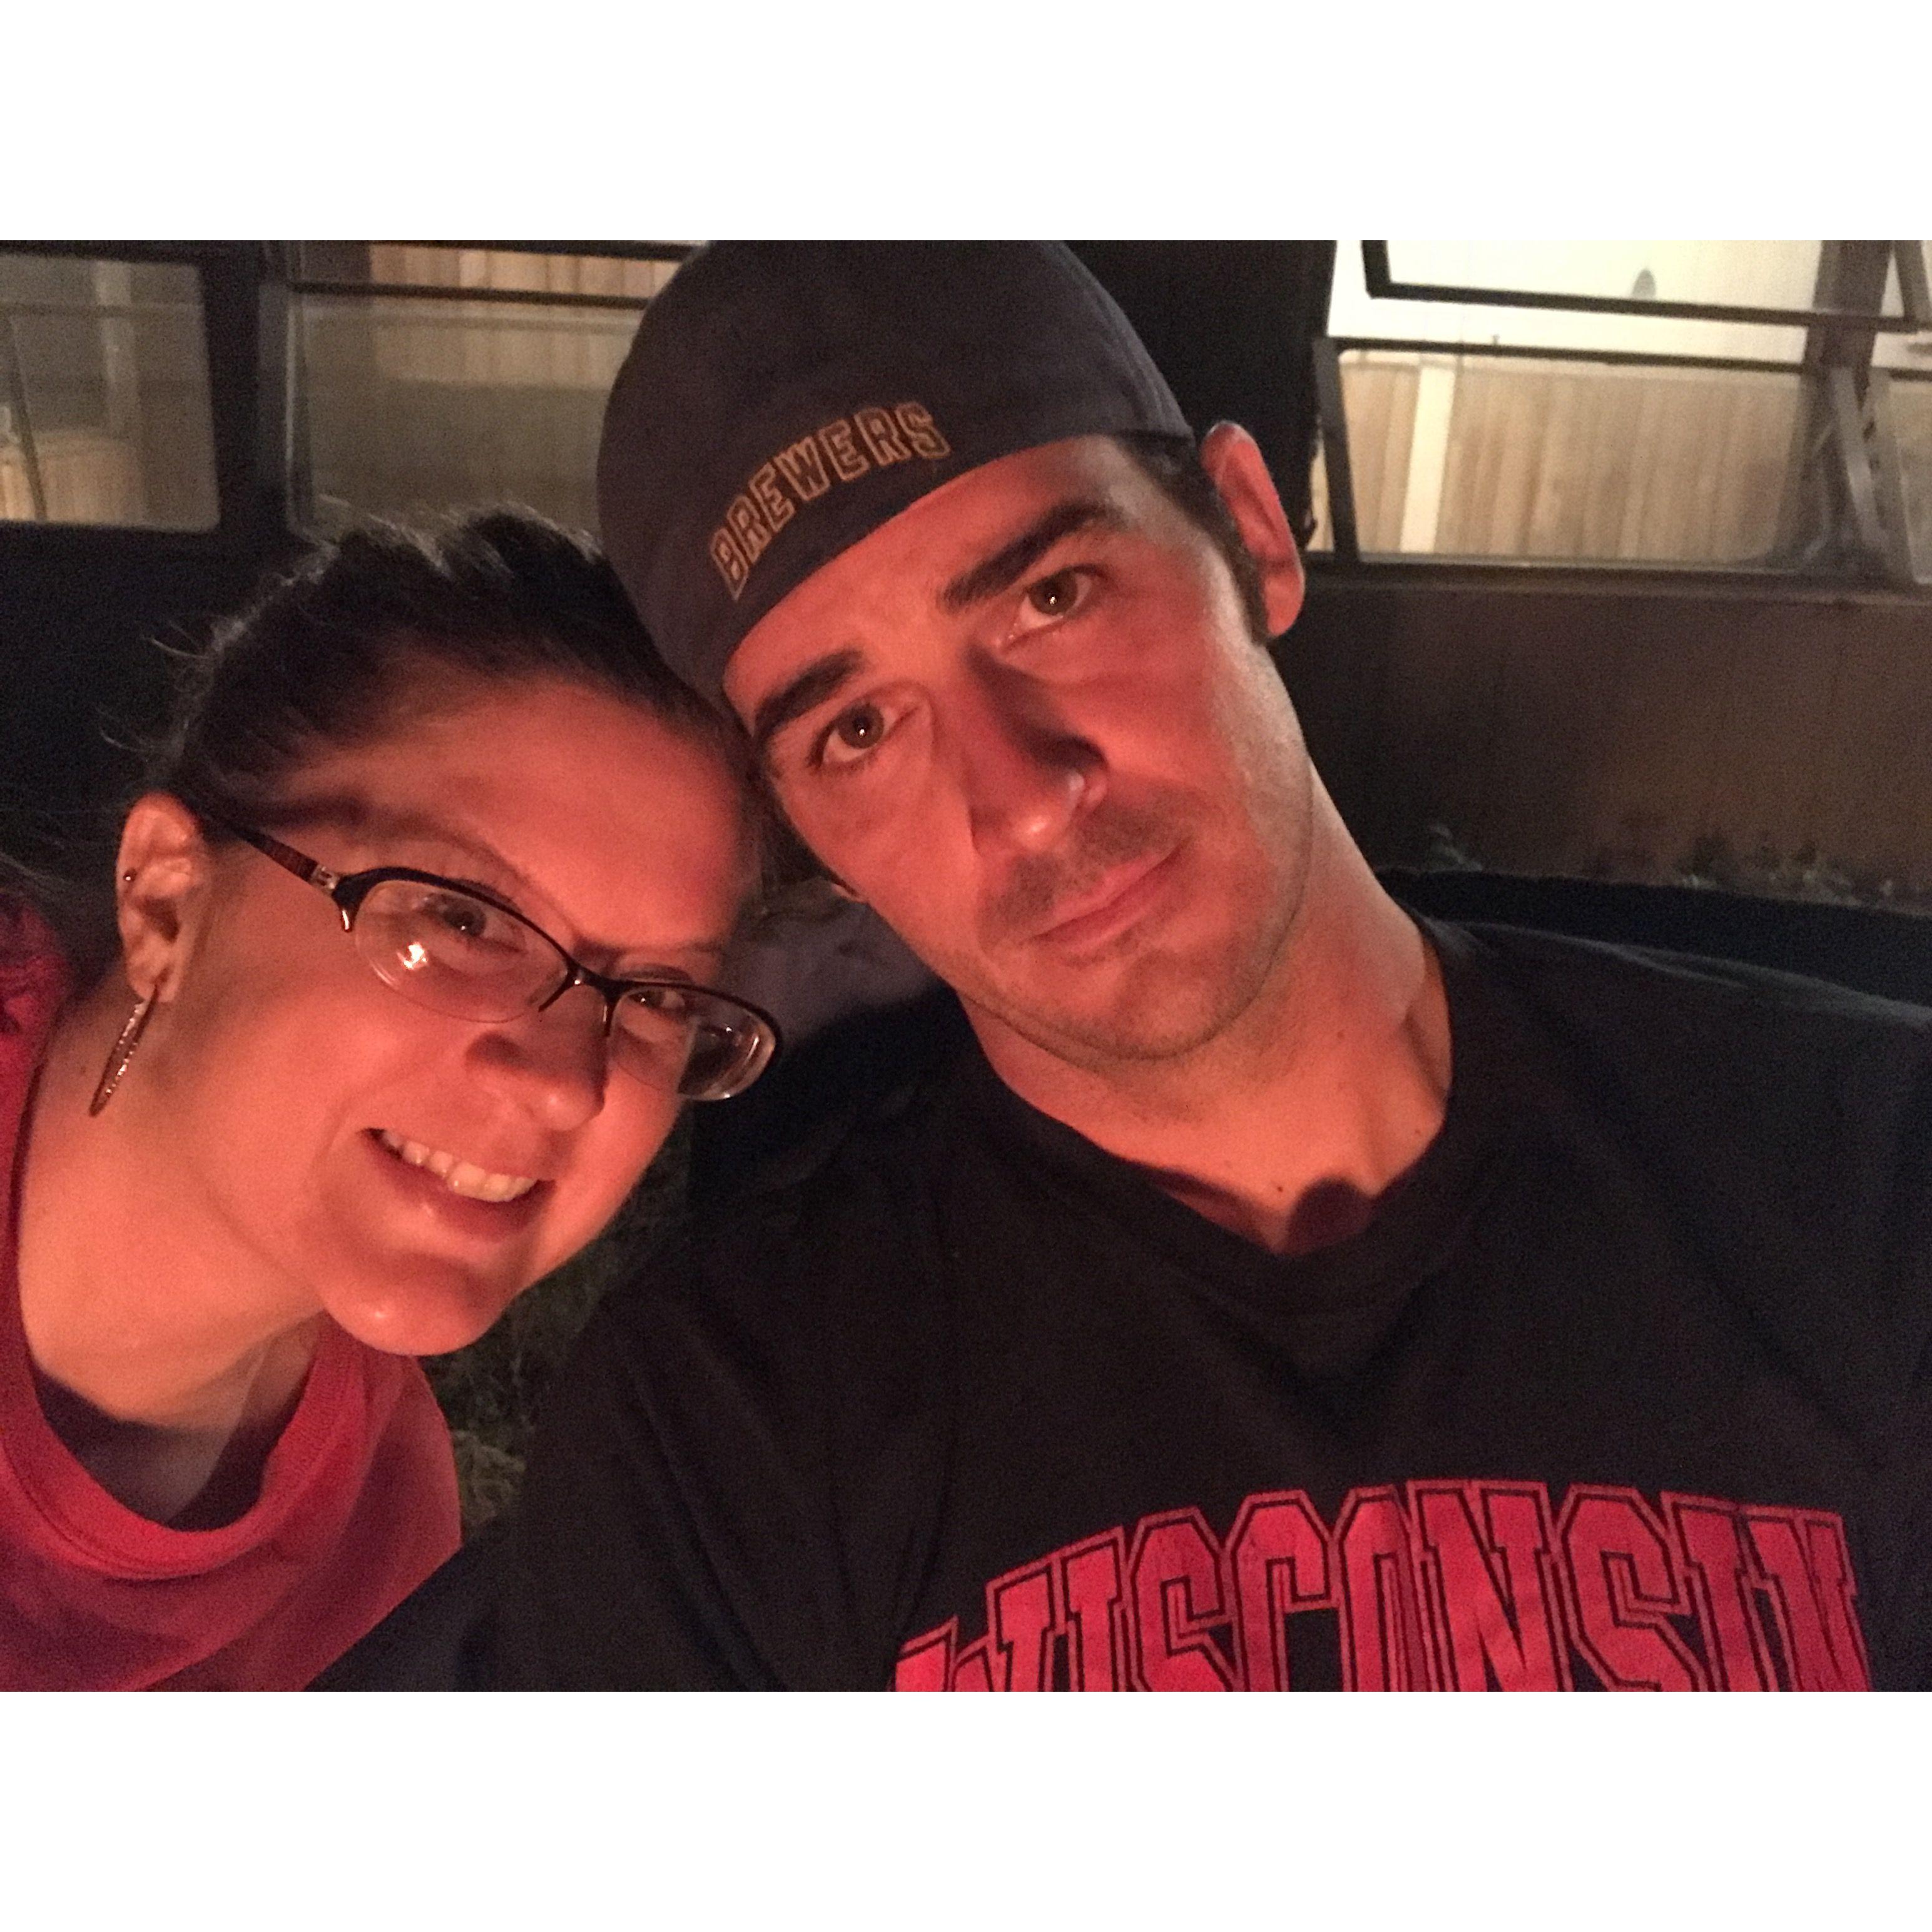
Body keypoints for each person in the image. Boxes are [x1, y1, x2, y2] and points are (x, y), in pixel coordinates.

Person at [370, 243, 1929, 1690]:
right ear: (807, 837)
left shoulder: (1868, 1173)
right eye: (857, 728)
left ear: (1249, 533)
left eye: (1050, 597)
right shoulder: (723, 1424)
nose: (1019, 796)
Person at [0, 509, 776, 1689]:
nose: (564, 1081)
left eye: (660, 997)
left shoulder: (382, 1540)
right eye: (462, 919)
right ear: (166, 903)